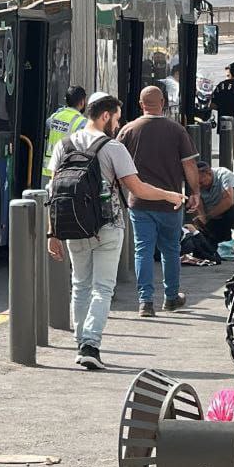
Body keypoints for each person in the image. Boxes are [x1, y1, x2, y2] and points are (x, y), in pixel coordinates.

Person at [48, 94, 184, 369]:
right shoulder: (112, 148)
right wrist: (170, 196)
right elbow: (137, 188)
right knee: (102, 288)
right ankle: (90, 344)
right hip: (108, 227)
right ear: (105, 116)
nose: (118, 123)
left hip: (73, 225)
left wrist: (53, 233)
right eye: (117, 118)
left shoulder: (64, 146)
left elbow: (54, 190)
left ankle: (80, 342)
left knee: (80, 286)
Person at [118, 86, 200, 317]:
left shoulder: (128, 130)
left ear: (140, 103)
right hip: (170, 201)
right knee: (171, 249)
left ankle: (145, 301)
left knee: (142, 249)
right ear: (162, 102)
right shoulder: (176, 130)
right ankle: (171, 297)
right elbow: (189, 165)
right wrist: (194, 192)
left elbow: (114, 165)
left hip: (139, 201)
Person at [192, 161, 234, 244]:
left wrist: (208, 216)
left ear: (209, 174)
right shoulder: (198, 185)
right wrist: (202, 218)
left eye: (201, 183)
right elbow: (198, 203)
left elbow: (228, 201)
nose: (199, 186)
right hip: (214, 217)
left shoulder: (225, 175)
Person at [41, 85, 87, 180]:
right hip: (67, 170)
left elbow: (48, 126)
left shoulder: (55, 116)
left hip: (50, 168)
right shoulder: (82, 122)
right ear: (82, 102)